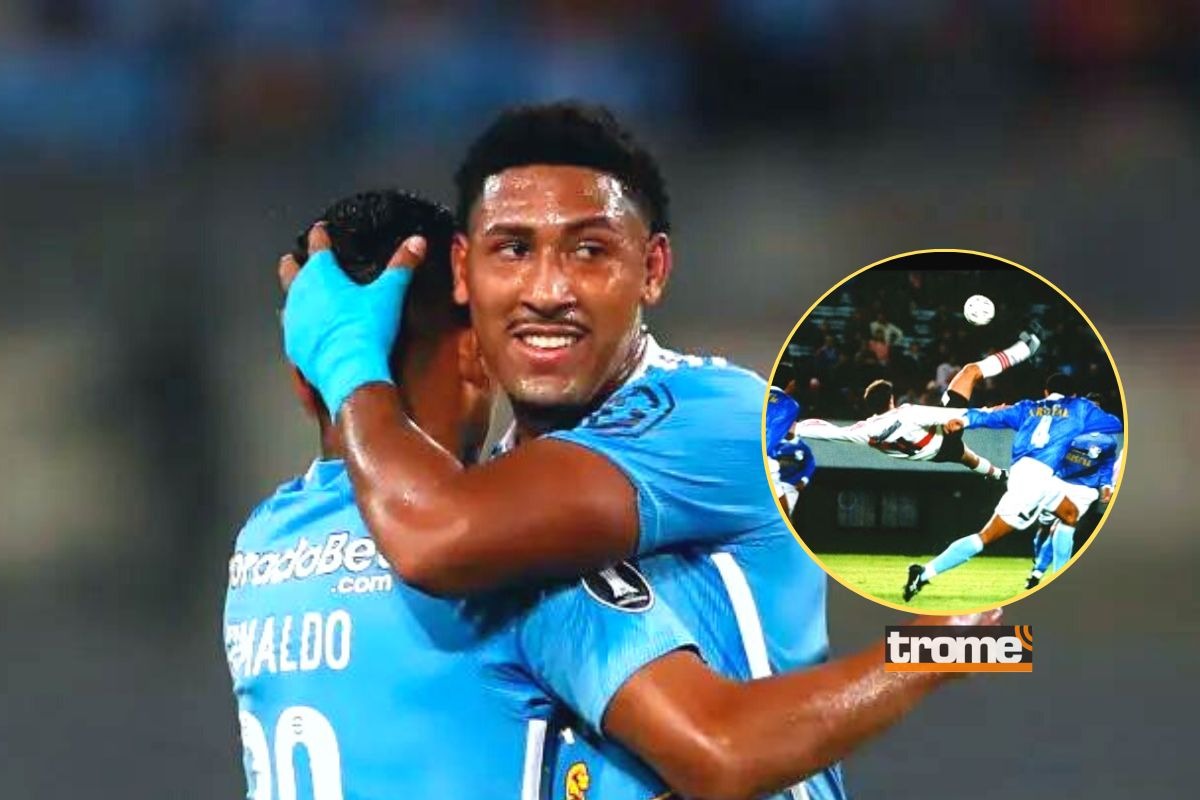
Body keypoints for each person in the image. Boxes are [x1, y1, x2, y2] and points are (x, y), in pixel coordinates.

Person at [279, 103, 996, 799]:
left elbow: (435, 539)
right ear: (465, 273)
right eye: (514, 249)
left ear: (652, 268)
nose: (548, 290)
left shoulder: (711, 415)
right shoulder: (499, 487)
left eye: (589, 251)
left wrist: (346, 362)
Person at [227, 190, 709, 800]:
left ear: (302, 381)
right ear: (477, 354)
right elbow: (718, 749)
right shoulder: (502, 551)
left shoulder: (262, 545)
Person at [904, 373, 1124, 601]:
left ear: (1046, 392)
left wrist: (964, 420)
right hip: (1034, 482)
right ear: (1074, 395)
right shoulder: (1080, 408)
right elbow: (1115, 424)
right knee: (985, 537)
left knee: (1069, 514)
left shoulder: (1027, 407)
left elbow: (992, 417)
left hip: (1031, 474)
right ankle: (924, 572)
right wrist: (1085, 420)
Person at [791, 379, 1005, 479]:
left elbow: (828, 431)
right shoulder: (907, 413)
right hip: (943, 439)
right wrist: (990, 412)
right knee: (970, 371)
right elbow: (949, 416)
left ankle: (999, 475)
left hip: (932, 456)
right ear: (891, 399)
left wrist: (796, 427)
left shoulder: (866, 430)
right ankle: (1020, 350)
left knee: (967, 458)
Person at [1025, 429, 1121, 588]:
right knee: (1045, 529)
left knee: (1062, 526)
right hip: (1058, 483)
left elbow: (1107, 463)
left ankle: (1052, 574)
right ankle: (1038, 567)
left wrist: (1106, 484)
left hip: (1084, 490)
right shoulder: (1070, 428)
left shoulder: (1108, 439)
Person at [765, 382, 817, 515]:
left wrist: (804, 480)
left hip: (790, 484)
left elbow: (810, 463)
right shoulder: (776, 441)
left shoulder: (802, 446)